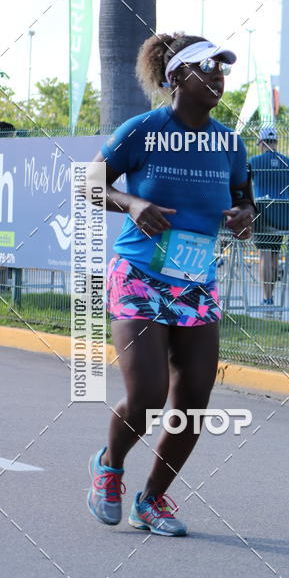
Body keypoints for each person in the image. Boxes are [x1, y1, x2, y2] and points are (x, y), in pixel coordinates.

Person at [86, 33, 255, 535]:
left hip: (196, 282)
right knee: (149, 396)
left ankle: (152, 500)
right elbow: (92, 183)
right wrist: (133, 204)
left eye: (223, 69)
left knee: (194, 405)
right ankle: (109, 466)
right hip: (139, 275)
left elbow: (245, 199)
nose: (219, 78)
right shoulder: (143, 130)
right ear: (177, 76)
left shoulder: (229, 141)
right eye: (208, 69)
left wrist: (244, 215)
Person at [249, 127, 289, 305]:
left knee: (264, 255)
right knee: (275, 256)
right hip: (281, 215)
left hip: (261, 214)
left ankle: (266, 297)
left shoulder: (254, 161)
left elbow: (245, 186)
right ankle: (272, 295)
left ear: (262, 144)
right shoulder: (288, 163)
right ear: (275, 142)